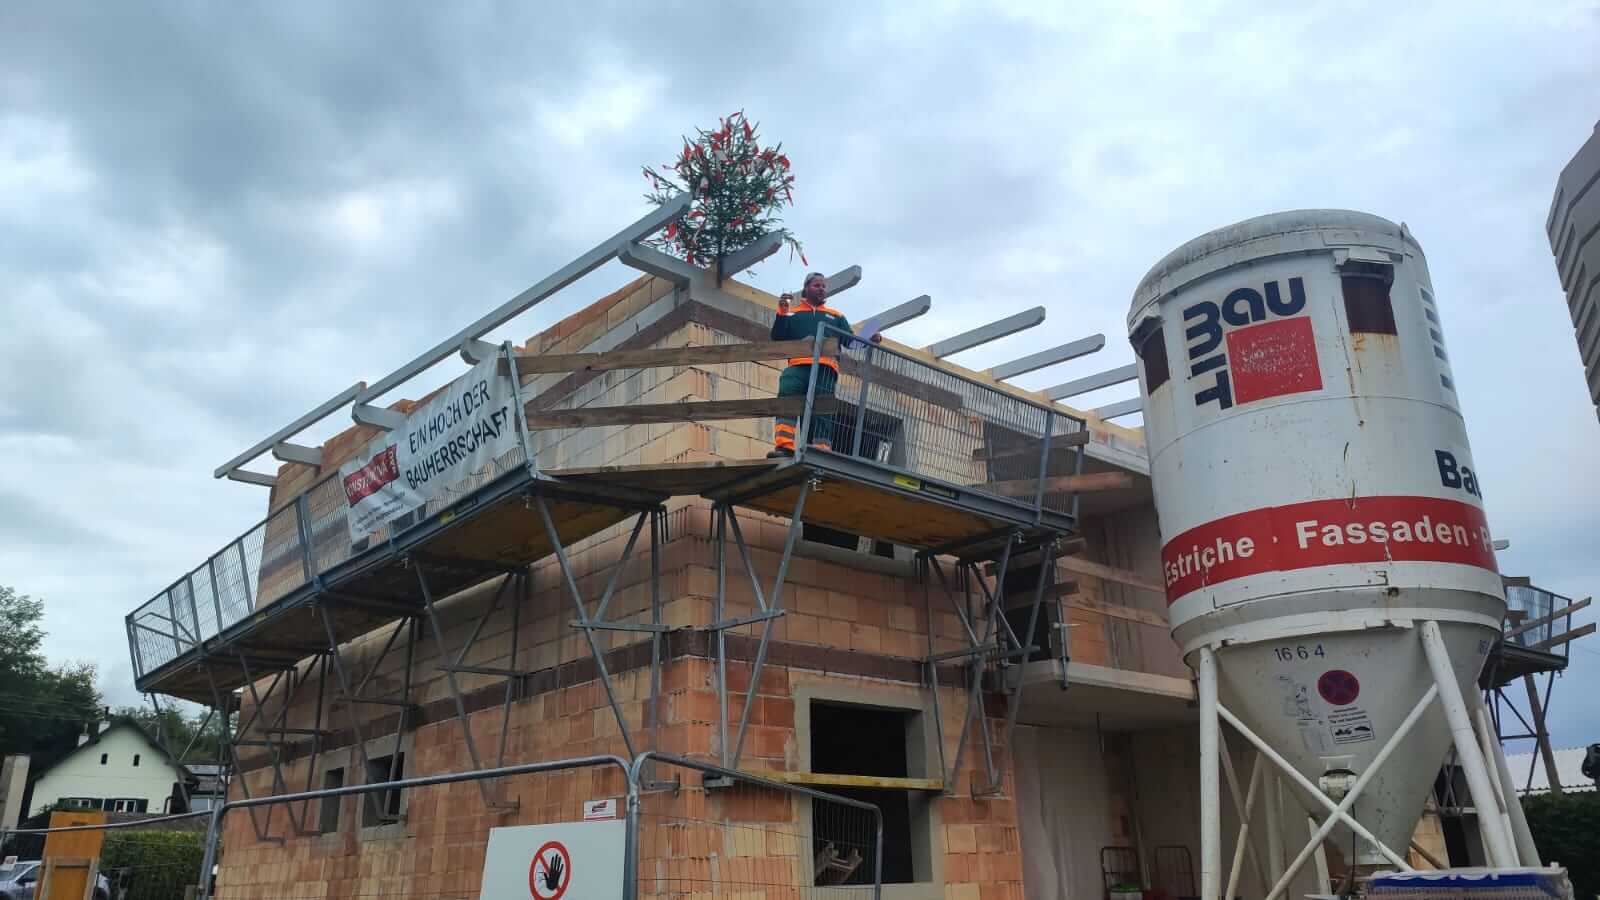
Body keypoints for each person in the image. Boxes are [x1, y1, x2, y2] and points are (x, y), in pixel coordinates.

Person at [767, 271, 881, 458]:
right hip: (798, 365)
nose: (821, 289)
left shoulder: (835, 315)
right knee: (787, 397)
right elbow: (778, 336)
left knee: (822, 407)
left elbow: (850, 342)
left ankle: (821, 450)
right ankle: (784, 446)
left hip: (826, 368)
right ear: (806, 288)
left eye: (823, 286)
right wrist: (782, 310)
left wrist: (870, 336)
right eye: (817, 285)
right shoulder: (792, 314)